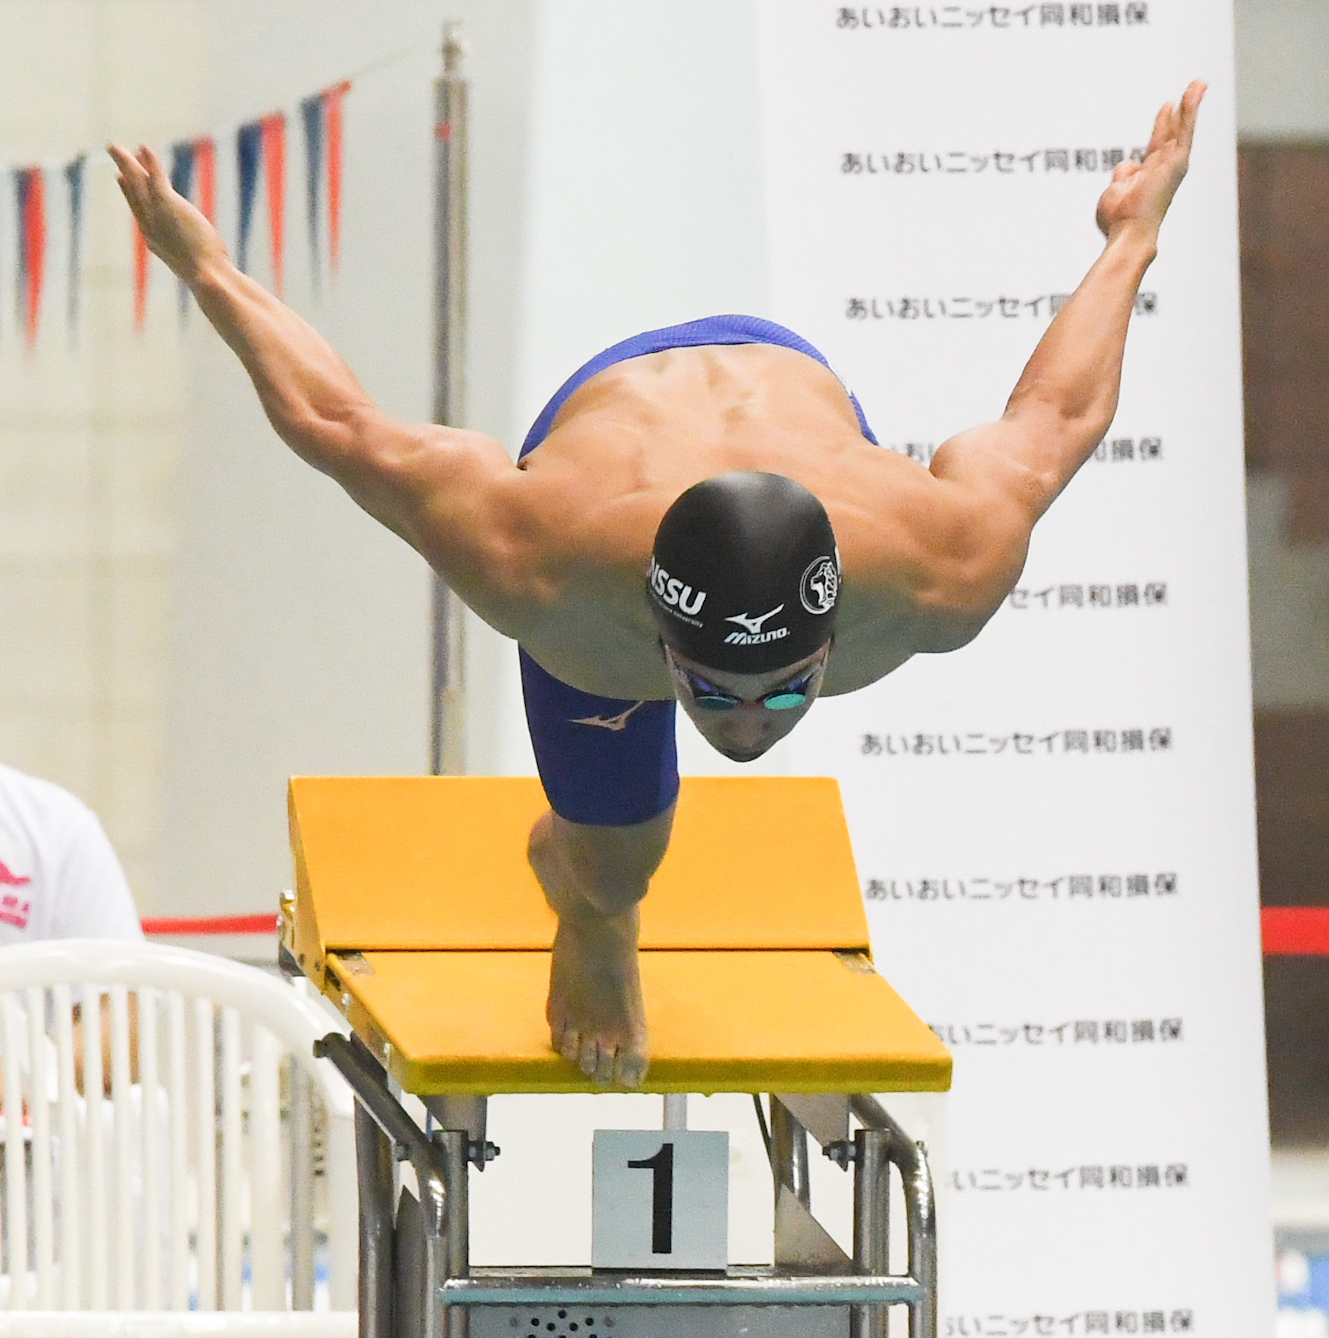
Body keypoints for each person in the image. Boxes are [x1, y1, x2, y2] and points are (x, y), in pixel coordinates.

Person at [111, 80, 1204, 1090]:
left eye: (781, 693)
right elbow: (339, 424)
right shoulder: (544, 566)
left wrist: (1132, 235)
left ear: (830, 642)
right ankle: (594, 914)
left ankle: (595, 879)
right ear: (659, 642)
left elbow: (1055, 420)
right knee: (618, 861)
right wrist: (205, 264)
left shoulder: (938, 564)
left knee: (622, 824)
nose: (744, 728)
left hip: (796, 392)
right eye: (706, 691)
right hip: (608, 432)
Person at [0, 762, 192, 1338]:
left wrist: (25, 1075)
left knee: (125, 1246)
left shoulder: (46, 827)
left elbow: (121, 1023)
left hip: (37, 1168)